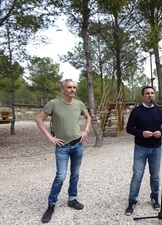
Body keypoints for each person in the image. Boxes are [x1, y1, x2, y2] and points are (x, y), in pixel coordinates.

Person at [36, 79, 91, 223]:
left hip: (77, 145)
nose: (72, 89)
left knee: (75, 174)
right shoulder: (53, 103)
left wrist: (85, 130)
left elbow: (88, 117)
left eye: (74, 87)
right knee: (60, 176)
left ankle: (72, 199)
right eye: (69, 87)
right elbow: (39, 119)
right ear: (62, 89)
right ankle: (51, 205)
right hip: (62, 147)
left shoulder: (79, 104)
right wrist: (49, 137)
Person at [125, 86, 162, 216]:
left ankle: (154, 198)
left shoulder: (160, 110)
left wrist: (161, 132)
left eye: (152, 93)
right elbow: (129, 128)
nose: (150, 95)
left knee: (155, 176)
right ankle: (132, 201)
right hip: (140, 148)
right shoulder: (136, 111)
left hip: (156, 148)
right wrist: (141, 133)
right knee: (137, 175)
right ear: (143, 96)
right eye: (147, 93)